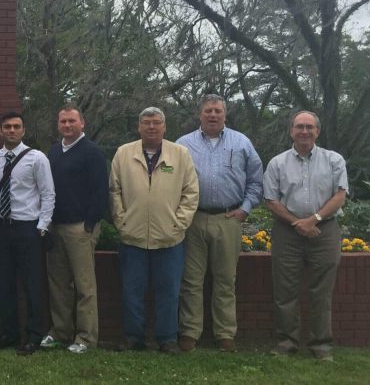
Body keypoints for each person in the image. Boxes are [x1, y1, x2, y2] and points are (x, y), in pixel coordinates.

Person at [176, 94, 263, 353]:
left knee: (226, 279)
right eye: (208, 111)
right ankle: (190, 331)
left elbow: (256, 181)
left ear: (225, 114)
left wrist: (244, 210)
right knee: (191, 280)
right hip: (194, 219)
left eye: (217, 111)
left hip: (229, 218)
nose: (213, 115)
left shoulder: (242, 142)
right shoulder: (183, 144)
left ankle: (225, 333)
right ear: (200, 114)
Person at [109, 106, 198, 353]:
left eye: (156, 122)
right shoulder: (123, 153)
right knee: (131, 291)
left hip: (169, 239)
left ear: (164, 126)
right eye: (146, 122)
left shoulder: (180, 154)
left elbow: (190, 193)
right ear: (139, 127)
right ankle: (133, 337)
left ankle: (167, 338)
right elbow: (114, 191)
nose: (151, 126)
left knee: (169, 292)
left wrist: (177, 224)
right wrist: (122, 222)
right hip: (132, 237)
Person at [264, 111, 347, 362]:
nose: (304, 131)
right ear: (291, 131)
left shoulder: (334, 160)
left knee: (321, 292)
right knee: (285, 292)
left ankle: (321, 346)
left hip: (325, 232)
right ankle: (286, 343)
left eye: (309, 127)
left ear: (317, 132)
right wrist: (297, 223)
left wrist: (314, 220)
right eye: (299, 126)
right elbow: (271, 199)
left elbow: (340, 195)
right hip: (287, 233)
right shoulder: (277, 163)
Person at [0, 112, 55, 355]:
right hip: (1, 229)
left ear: (24, 131)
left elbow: (48, 193)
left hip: (29, 228)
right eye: (7, 127)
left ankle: (34, 335)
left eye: (16, 127)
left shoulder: (37, 158)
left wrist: (42, 226)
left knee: (32, 284)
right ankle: (9, 333)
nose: (12, 130)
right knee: (4, 284)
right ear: (1, 131)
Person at [44, 106, 108, 354]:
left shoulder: (91, 152)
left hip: (80, 228)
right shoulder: (54, 151)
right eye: (63, 121)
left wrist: (90, 224)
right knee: (58, 284)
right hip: (56, 226)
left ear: (83, 122)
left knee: (84, 286)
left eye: (72, 121)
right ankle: (60, 332)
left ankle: (85, 338)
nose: (67, 125)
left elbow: (100, 190)